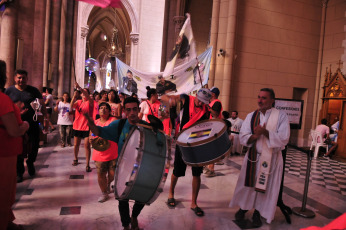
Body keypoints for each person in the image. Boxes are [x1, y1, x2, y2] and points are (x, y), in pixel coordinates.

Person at [229, 88, 290, 227]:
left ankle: (258, 212)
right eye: (259, 97)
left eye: (264, 98)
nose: (259, 100)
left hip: (272, 160)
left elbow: (284, 138)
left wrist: (265, 132)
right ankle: (243, 208)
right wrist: (255, 136)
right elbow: (243, 136)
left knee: (265, 187)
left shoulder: (281, 116)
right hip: (253, 158)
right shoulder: (251, 116)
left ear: (272, 100)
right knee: (247, 187)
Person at [84, 97, 147, 230]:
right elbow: (99, 132)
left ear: (139, 109)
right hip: (123, 168)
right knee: (122, 199)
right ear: (124, 110)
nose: (132, 113)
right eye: (128, 110)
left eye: (135, 109)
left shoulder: (146, 127)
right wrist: (91, 123)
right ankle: (125, 225)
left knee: (141, 197)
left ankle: (134, 216)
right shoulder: (119, 125)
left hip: (141, 169)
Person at [161, 88, 211, 217]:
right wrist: (170, 100)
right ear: (196, 96)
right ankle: (171, 193)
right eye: (200, 100)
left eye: (204, 102)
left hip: (196, 144)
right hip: (182, 141)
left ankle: (194, 203)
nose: (201, 103)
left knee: (197, 173)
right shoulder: (187, 99)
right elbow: (167, 98)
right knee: (177, 170)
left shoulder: (206, 111)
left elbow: (207, 128)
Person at [0, 60, 29, 230]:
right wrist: (24, 126)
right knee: (4, 191)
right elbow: (13, 130)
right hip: (4, 153)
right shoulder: (3, 99)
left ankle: (7, 221)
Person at [5, 69, 48, 183]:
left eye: (23, 78)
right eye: (19, 78)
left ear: (27, 79)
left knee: (34, 144)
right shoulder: (9, 91)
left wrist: (46, 119)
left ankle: (30, 161)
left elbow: (42, 104)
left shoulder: (33, 90)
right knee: (18, 147)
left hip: (32, 122)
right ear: (15, 78)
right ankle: (19, 172)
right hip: (16, 123)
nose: (21, 80)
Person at [89, 102, 118, 203]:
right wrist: (91, 138)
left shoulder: (113, 121)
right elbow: (91, 134)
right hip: (99, 153)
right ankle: (104, 193)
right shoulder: (95, 123)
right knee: (101, 174)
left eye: (106, 108)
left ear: (109, 111)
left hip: (112, 152)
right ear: (99, 111)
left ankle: (109, 183)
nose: (103, 109)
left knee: (112, 174)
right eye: (101, 108)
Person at [70, 84, 95, 172]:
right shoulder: (79, 102)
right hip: (77, 125)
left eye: (85, 93)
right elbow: (71, 106)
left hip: (87, 126)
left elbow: (87, 96)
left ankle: (87, 164)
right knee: (76, 144)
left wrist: (80, 88)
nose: (84, 95)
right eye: (82, 93)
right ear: (81, 95)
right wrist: (74, 96)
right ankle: (76, 158)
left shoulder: (90, 102)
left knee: (87, 145)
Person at [204, 101, 223, 177]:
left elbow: (215, 114)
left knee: (212, 149)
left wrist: (208, 108)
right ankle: (209, 167)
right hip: (211, 129)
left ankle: (211, 169)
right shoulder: (211, 107)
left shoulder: (217, 104)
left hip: (214, 130)